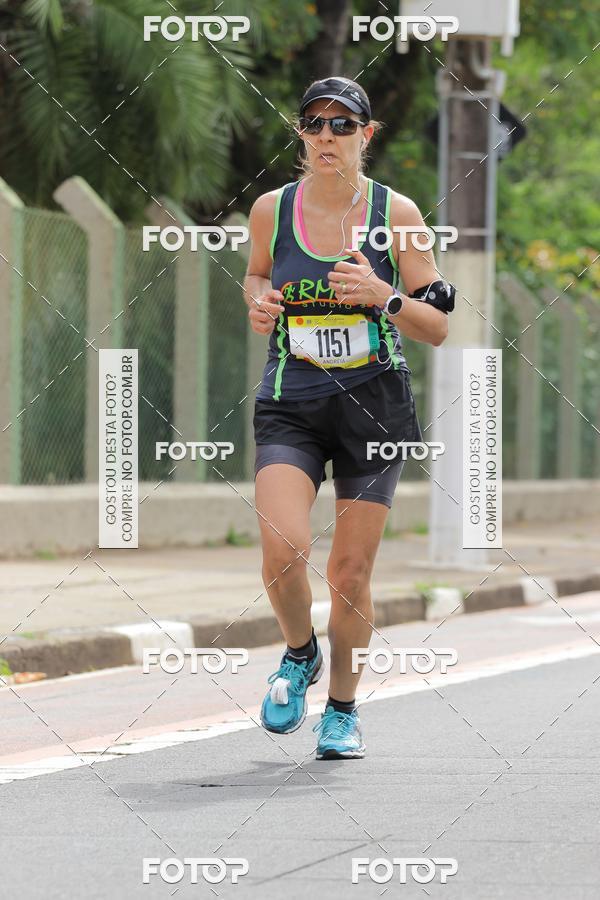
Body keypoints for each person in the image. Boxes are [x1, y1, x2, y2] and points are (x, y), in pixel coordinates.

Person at [242, 76, 454, 759]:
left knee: (350, 573)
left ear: (367, 134)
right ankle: (299, 653)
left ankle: (341, 709)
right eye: (315, 124)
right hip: (292, 401)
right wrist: (259, 301)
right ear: (301, 134)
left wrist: (382, 293)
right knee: (284, 549)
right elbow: (255, 274)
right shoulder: (272, 210)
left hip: (376, 408)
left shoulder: (398, 213)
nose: (327, 136)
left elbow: (436, 325)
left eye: (342, 124)